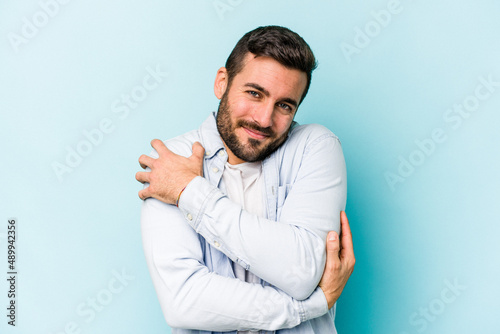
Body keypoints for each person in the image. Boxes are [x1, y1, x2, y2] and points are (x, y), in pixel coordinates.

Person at [136, 25, 355, 333]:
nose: (264, 119)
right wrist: (307, 307)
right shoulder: (173, 160)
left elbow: (302, 271)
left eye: (284, 105)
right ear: (222, 83)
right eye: (254, 93)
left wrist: (189, 191)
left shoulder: (315, 146)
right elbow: (183, 300)